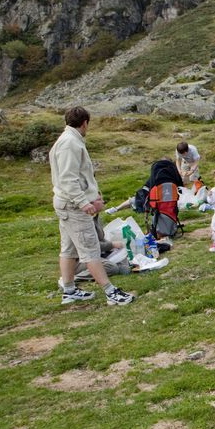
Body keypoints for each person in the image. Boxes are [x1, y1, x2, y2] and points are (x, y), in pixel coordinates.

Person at [50, 106, 134, 305]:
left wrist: (91, 193)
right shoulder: (70, 143)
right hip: (73, 206)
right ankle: (111, 292)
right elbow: (68, 179)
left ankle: (69, 290)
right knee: (90, 249)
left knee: (69, 249)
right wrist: (83, 202)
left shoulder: (67, 140)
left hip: (67, 203)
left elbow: (78, 177)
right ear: (85, 123)